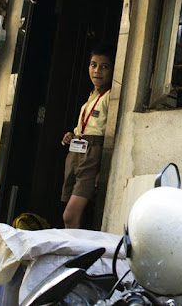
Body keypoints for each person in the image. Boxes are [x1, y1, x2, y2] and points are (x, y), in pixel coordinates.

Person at [61, 44, 115, 228]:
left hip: (92, 156)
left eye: (104, 66)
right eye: (93, 65)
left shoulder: (109, 97)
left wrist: (103, 168)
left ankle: (73, 253)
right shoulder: (92, 96)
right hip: (77, 154)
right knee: (73, 212)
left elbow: (108, 134)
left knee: (70, 215)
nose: (97, 71)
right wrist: (72, 134)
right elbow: (85, 127)